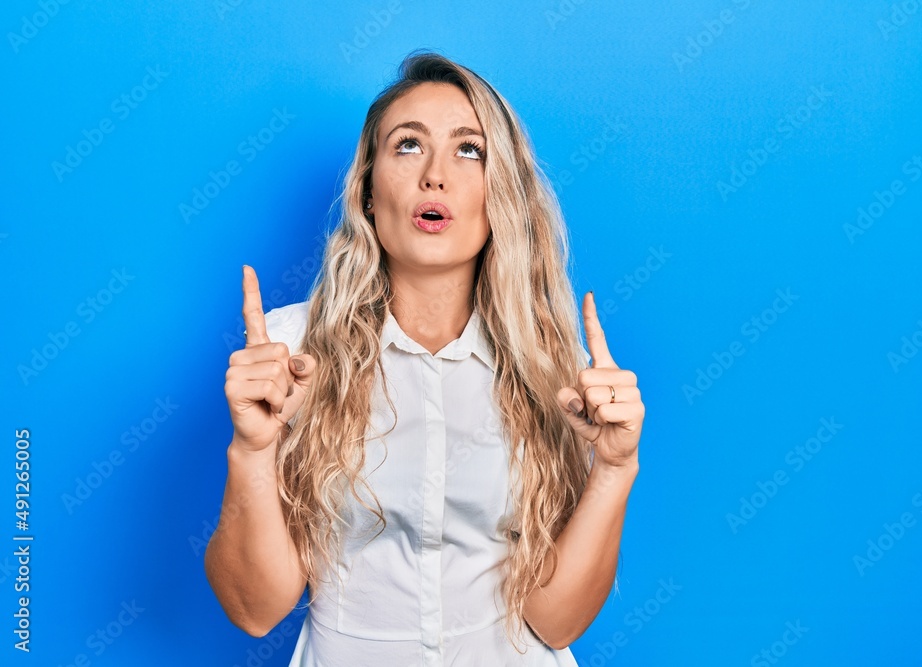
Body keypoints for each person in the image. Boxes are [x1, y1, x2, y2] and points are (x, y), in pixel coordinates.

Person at [204, 51, 645, 666]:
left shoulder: (555, 365)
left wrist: (615, 468)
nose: (436, 175)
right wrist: (251, 450)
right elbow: (256, 610)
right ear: (367, 185)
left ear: (502, 194)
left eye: (470, 150)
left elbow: (557, 619)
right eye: (408, 146)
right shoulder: (289, 352)